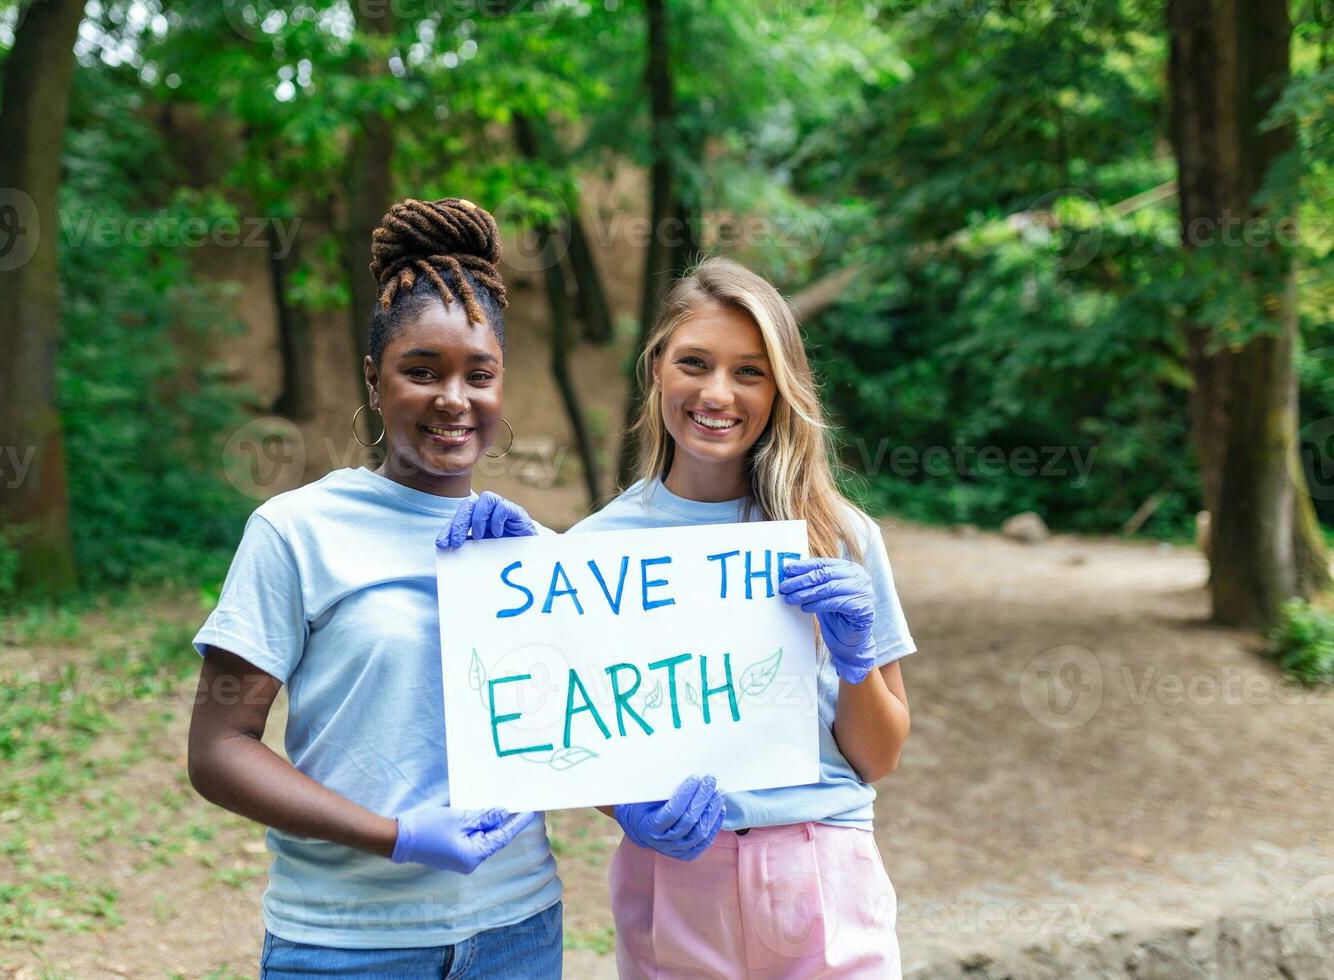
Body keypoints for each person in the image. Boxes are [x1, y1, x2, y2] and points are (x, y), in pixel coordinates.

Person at [461, 257, 914, 977]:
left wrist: (856, 663)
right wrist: (624, 806)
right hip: (671, 880)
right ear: (657, 373)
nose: (717, 393)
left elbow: (878, 757)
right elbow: (576, 738)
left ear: (780, 389)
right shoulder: (591, 556)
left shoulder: (839, 536)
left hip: (822, 869)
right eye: (694, 363)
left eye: (750, 372)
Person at [186, 198, 563, 978]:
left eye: (478, 374)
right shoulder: (296, 531)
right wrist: (392, 834)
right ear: (374, 377)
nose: (453, 399)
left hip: (518, 932)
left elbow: (590, 733)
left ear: (502, 384)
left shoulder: (536, 553)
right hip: (345, 943)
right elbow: (218, 750)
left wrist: (653, 810)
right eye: (421, 371)